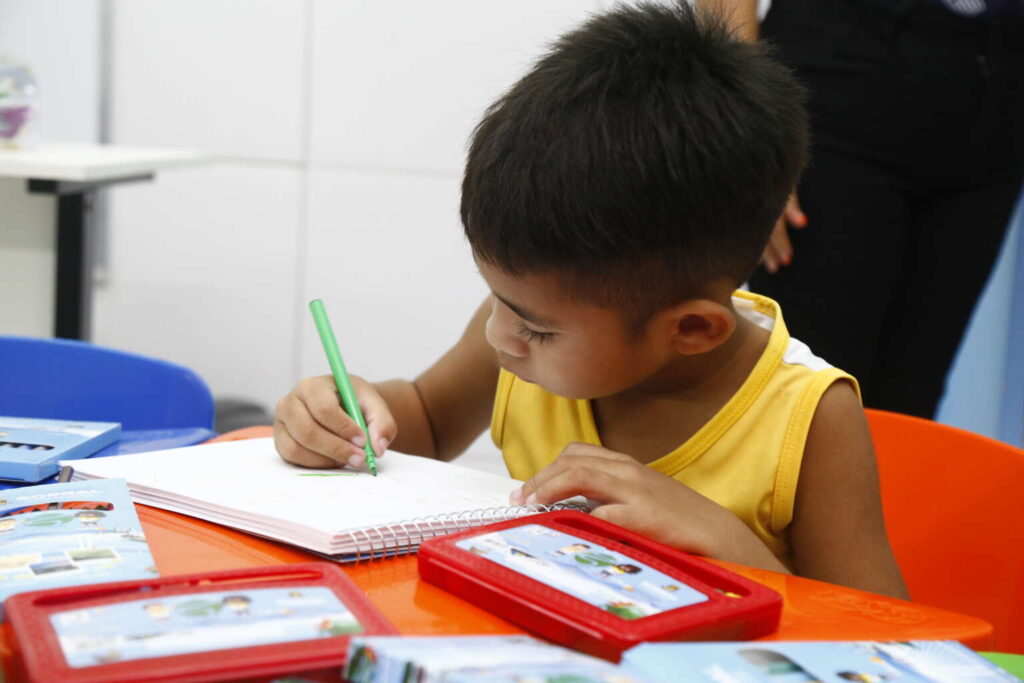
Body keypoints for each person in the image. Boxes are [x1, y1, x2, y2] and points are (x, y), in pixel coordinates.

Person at [274, 2, 907, 598]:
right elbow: (428, 422)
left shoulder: (810, 419)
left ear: (690, 329)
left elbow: (890, 644)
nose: (500, 336)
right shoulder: (519, 333)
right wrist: (344, 420)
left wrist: (727, 543)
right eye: (497, 299)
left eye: (539, 329)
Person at [707, 0, 1024, 419]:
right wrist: (747, 124)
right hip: (842, 77)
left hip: (1001, 92)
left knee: (910, 405)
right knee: (808, 397)